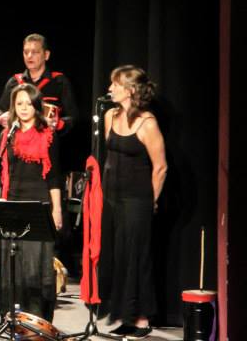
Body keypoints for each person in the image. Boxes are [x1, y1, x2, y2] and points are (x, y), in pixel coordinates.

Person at [98, 66, 166, 339]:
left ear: (130, 90)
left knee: (136, 257)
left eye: (115, 84)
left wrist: (153, 200)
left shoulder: (147, 123)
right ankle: (125, 314)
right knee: (118, 256)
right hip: (112, 198)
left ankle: (141, 318)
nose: (110, 89)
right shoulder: (109, 116)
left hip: (137, 200)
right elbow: (109, 157)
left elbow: (160, 167)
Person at [0, 84, 63, 322]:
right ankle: (8, 315)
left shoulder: (48, 135)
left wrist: (57, 210)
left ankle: (35, 317)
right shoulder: (6, 135)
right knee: (11, 264)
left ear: (36, 106)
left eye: (28, 104)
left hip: (38, 205)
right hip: (12, 204)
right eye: (19, 103)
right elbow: (1, 173)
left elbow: (54, 176)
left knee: (34, 266)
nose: (23, 108)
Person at [0, 34, 79, 135]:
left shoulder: (59, 81)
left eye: (35, 52)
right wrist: (0, 118)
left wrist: (57, 123)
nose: (29, 56)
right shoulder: (14, 82)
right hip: (18, 141)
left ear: (46, 55)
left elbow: (73, 118)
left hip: (49, 141)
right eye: (26, 52)